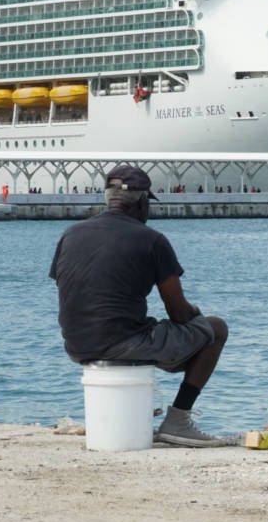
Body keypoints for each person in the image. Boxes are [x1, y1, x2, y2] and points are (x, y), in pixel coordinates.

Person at [49, 165, 229, 447]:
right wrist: (195, 312)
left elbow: (78, 291)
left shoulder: (70, 235)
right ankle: (178, 421)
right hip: (122, 342)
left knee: (147, 328)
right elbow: (178, 312)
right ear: (143, 201)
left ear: (108, 198)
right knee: (216, 329)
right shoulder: (152, 240)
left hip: (76, 343)